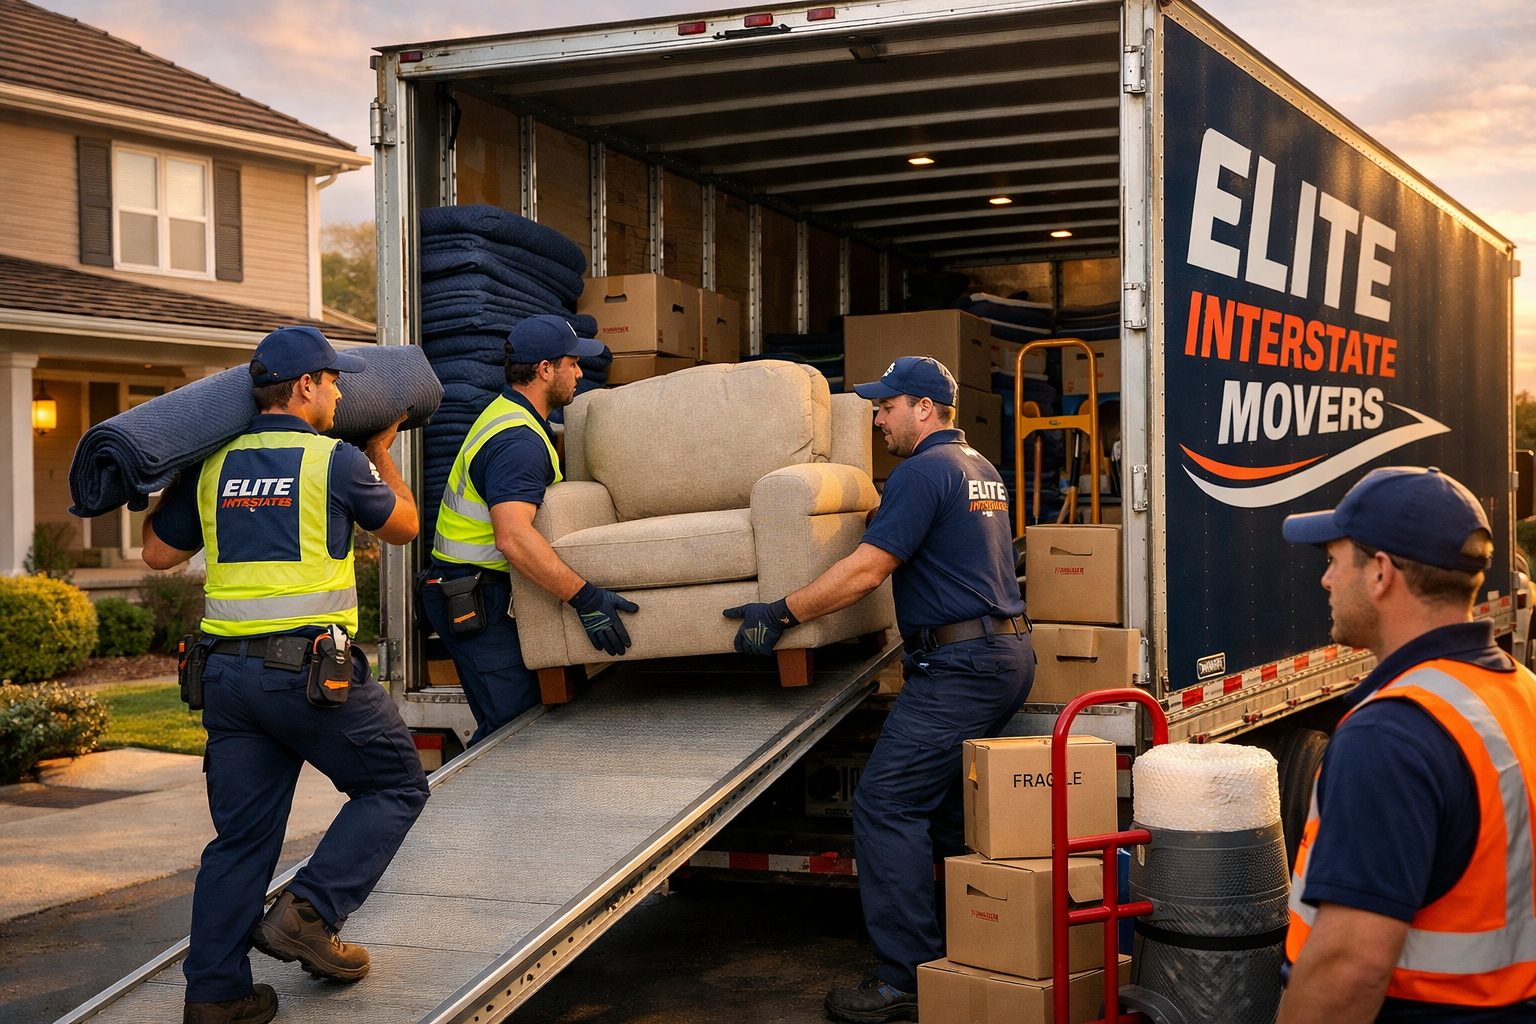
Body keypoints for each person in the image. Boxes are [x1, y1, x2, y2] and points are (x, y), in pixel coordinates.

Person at [723, 356, 1034, 1023]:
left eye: (888, 406)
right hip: (1001, 652)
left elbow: (867, 572)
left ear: (924, 408)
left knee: (886, 805)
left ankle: (905, 979)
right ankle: (969, 950)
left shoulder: (923, 471)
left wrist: (782, 612)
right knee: (947, 814)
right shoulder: (979, 467)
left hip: (962, 665)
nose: (878, 416)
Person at [142, 326, 430, 1024]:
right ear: (304, 387)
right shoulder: (333, 460)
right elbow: (404, 527)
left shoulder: (212, 467)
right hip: (307, 678)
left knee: (240, 840)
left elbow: (155, 552)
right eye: (333, 381)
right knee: (395, 783)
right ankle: (309, 912)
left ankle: (214, 996)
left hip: (227, 682)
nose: (338, 393)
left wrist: (185, 476)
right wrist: (382, 455)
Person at [1278, 466, 1536, 1023]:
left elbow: (1349, 969)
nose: (1325, 581)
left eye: (1333, 560)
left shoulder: (1391, 734)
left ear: (1380, 573)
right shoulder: (1520, 690)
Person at [423, 315, 639, 743]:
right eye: (572, 363)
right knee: (515, 737)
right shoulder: (517, 442)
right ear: (545, 370)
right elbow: (513, 537)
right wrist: (586, 598)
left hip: (476, 590)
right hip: (475, 599)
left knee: (512, 730)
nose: (580, 373)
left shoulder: (514, 419)